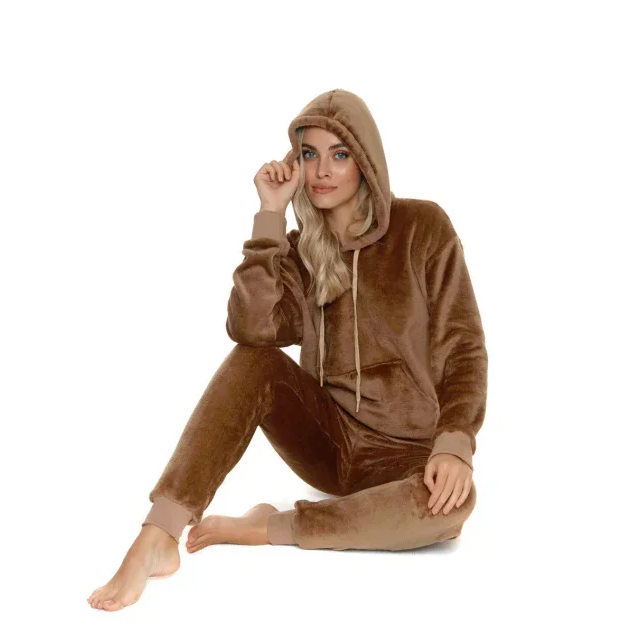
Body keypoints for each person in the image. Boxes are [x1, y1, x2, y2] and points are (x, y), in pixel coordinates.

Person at [88, 88, 488, 611]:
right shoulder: (302, 251)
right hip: (330, 446)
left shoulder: (422, 228)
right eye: (309, 154)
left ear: (365, 161)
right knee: (254, 360)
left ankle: (268, 526)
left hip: (409, 454)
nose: (322, 170)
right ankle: (158, 534)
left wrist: (455, 443)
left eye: (339, 154)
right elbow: (251, 330)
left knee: (451, 507)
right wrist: (270, 217)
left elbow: (463, 346)